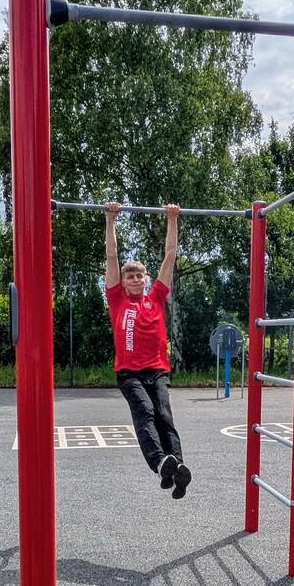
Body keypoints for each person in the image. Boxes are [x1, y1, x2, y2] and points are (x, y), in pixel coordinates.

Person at [104, 202, 192, 499]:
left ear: (145, 280)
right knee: (145, 411)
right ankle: (160, 462)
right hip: (129, 373)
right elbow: (112, 255)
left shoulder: (156, 296)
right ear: (123, 282)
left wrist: (172, 219)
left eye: (139, 276)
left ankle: (177, 468)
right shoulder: (117, 299)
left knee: (164, 415)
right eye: (129, 276)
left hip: (157, 371)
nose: (134, 279)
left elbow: (170, 254)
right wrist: (110, 219)